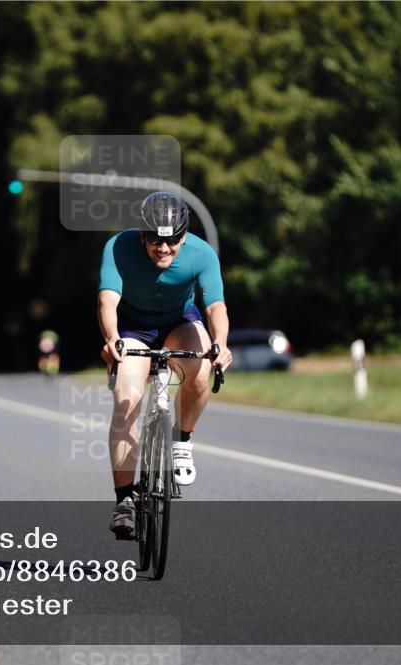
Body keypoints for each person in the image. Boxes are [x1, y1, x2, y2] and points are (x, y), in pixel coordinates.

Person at [98, 191, 233, 539]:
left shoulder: (201, 253)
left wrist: (220, 343)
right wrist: (113, 338)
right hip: (132, 328)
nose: (163, 249)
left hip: (179, 324)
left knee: (201, 369)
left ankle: (183, 441)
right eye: (155, 241)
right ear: (142, 235)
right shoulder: (118, 247)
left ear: (184, 237)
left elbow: (215, 305)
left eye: (172, 241)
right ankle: (125, 500)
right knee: (126, 399)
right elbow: (107, 299)